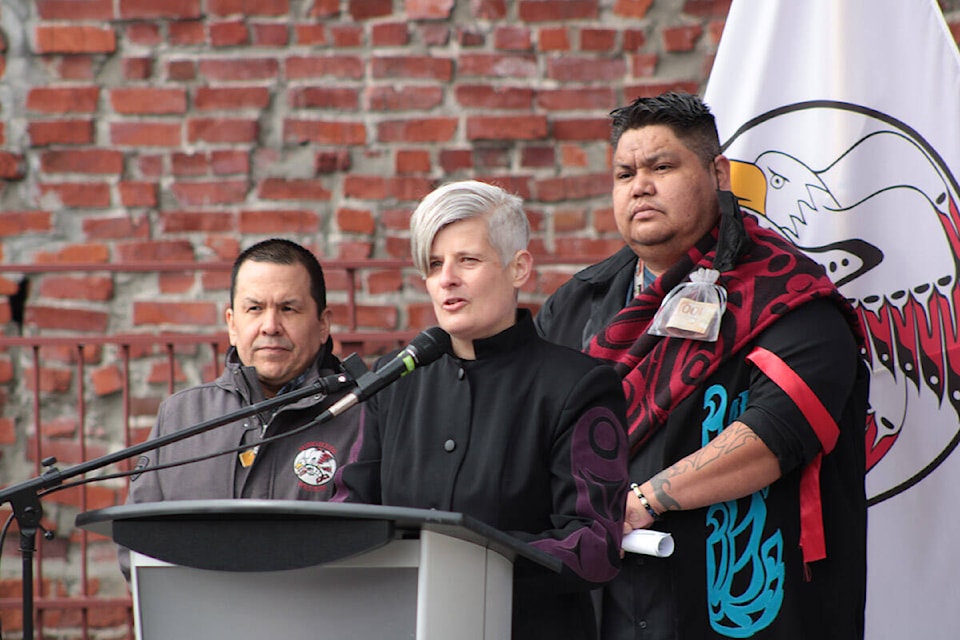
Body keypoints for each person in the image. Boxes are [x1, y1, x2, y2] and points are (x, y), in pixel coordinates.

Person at [535, 93, 869, 640]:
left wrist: (639, 502)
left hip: (747, 610)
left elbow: (777, 433)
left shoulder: (790, 295)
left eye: (661, 166)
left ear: (717, 172)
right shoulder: (576, 304)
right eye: (625, 173)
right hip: (601, 608)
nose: (640, 185)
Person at [336, 180, 630, 640]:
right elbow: (350, 510)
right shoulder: (393, 383)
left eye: (467, 260)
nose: (447, 278)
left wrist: (467, 560)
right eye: (434, 265)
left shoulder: (578, 385)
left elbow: (594, 545)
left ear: (519, 268)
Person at [121, 239, 360, 573]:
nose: (270, 326)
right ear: (232, 324)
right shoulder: (180, 417)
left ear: (322, 325)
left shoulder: (363, 413)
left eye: (288, 309)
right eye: (255, 309)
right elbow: (135, 546)